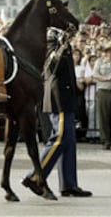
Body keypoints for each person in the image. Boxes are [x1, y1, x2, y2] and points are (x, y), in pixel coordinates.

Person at [21, 28, 92, 198]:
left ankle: (69, 183)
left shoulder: (62, 44)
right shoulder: (49, 43)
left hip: (65, 99)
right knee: (59, 138)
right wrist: (60, 46)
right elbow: (52, 67)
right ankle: (35, 175)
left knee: (69, 142)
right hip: (57, 100)